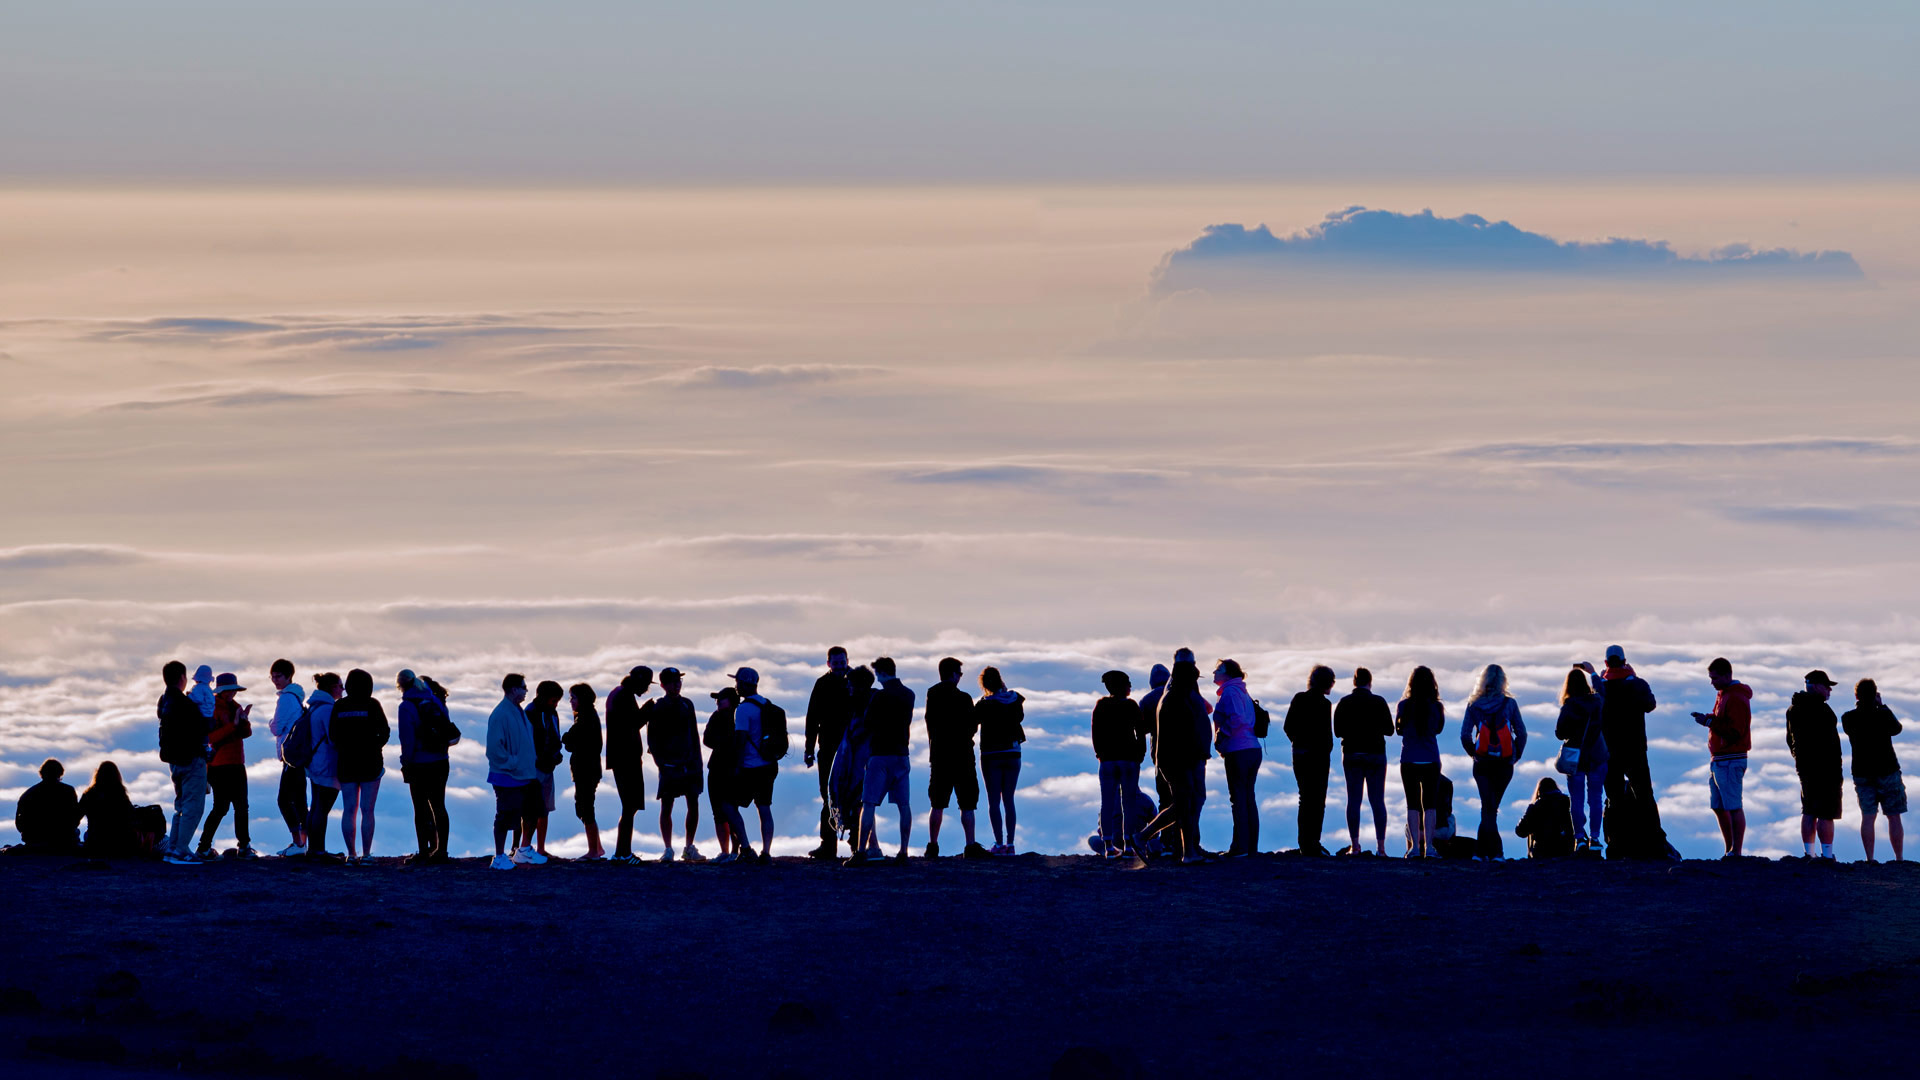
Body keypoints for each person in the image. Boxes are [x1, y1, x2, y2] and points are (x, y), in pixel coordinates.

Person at [1590, 645, 1670, 859]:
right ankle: (1655, 842)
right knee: (1645, 796)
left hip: (1609, 751)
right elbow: (1650, 705)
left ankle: (1616, 845)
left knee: (1614, 798)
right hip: (1635, 750)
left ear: (1606, 663)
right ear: (1624, 660)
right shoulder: (1637, 684)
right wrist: (1633, 677)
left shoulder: (1600, 688)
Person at [1141, 653, 1213, 863]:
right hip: (1179, 760)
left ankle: (1185, 850)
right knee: (1182, 804)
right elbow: (1185, 731)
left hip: (1172, 758)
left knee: (1180, 803)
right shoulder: (1176, 698)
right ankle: (1148, 838)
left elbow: (1143, 726)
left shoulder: (1169, 696)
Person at [1459, 664, 1527, 861]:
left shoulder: (1474, 704)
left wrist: (1475, 753)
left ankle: (1482, 853)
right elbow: (1521, 733)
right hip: (1504, 764)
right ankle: (1495, 853)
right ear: (1503, 681)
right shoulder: (1510, 704)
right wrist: (1515, 755)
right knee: (1490, 807)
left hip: (1482, 764)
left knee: (1487, 807)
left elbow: (1465, 735)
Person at [852, 656, 916, 864]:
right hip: (901, 754)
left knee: (868, 802)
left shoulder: (879, 697)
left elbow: (868, 723)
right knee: (904, 804)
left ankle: (861, 852)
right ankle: (904, 851)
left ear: (880, 673)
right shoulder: (909, 694)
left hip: (880, 754)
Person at [924, 656, 986, 859]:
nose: (960, 677)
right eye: (959, 673)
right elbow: (972, 727)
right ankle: (970, 845)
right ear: (953, 675)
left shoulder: (932, 694)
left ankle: (932, 845)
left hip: (940, 755)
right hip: (962, 756)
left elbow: (930, 722)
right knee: (967, 803)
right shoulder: (964, 698)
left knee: (937, 802)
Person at [1691, 657, 1751, 858]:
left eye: (1715, 678)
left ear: (1727, 675)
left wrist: (1709, 722)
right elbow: (1725, 722)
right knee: (1718, 806)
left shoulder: (1736, 698)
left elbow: (1735, 731)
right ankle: (1730, 849)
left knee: (1733, 805)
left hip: (1731, 759)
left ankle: (1737, 851)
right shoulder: (1724, 694)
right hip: (1719, 758)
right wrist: (1708, 719)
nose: (1712, 682)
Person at [644, 667, 706, 863]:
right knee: (667, 805)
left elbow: (694, 735)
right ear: (662, 685)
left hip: (690, 764)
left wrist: (697, 762)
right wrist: (661, 763)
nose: (677, 684)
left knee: (693, 803)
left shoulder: (688, 704)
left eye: (678, 680)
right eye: (672, 681)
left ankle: (688, 846)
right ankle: (668, 848)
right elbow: (652, 738)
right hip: (670, 765)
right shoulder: (658, 707)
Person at [330, 668, 390, 865]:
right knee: (368, 810)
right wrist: (375, 745)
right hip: (370, 762)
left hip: (346, 762)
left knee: (349, 809)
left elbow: (333, 735)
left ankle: (351, 854)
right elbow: (385, 731)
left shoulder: (340, 706)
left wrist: (345, 748)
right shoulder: (373, 704)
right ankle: (366, 854)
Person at [155, 660, 212, 864]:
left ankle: (173, 848)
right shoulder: (185, 703)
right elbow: (202, 728)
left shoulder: (164, 701)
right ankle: (181, 849)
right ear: (182, 678)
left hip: (174, 761)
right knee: (193, 805)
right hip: (191, 759)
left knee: (180, 805)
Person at [1842, 678, 1905, 862]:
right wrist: (1882, 706)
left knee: (1868, 816)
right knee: (1894, 816)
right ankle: (1899, 858)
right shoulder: (1883, 715)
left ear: (1856, 696)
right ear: (1875, 694)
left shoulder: (1848, 718)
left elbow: (1850, 727)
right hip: (1888, 771)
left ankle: (1870, 859)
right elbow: (1897, 729)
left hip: (1863, 773)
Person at [398, 669, 457, 865]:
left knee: (421, 808)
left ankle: (424, 851)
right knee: (439, 805)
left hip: (419, 763)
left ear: (401, 686)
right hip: (441, 761)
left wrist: (406, 763)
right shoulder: (435, 701)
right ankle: (442, 850)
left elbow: (407, 740)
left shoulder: (406, 706)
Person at [487, 673, 544, 869]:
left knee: (532, 811)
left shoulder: (517, 711)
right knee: (504, 815)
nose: (526, 690)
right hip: (508, 776)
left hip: (526, 774)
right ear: (513, 689)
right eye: (523, 687)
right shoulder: (501, 714)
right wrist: (512, 762)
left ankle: (524, 850)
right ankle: (500, 856)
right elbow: (494, 749)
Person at [1334, 668, 1393, 856]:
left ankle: (1355, 845)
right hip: (1376, 754)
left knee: (1353, 801)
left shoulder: (1344, 702)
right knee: (1377, 801)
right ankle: (1381, 848)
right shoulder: (1379, 702)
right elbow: (1390, 730)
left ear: (1354, 682)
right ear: (1370, 682)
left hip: (1352, 754)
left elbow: (1337, 731)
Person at [1785, 670, 1844, 860]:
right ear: (1817, 686)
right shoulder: (1823, 711)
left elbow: (1790, 739)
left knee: (1809, 810)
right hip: (1827, 769)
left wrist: (1799, 758)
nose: (1829, 691)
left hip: (1805, 767)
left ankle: (1808, 854)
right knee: (1827, 813)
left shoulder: (1793, 709)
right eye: (1827, 687)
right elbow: (1830, 743)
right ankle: (1827, 856)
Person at [196, 672, 255, 858]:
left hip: (236, 762)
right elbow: (211, 738)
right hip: (219, 764)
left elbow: (245, 734)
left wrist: (244, 723)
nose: (231, 694)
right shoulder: (212, 709)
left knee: (241, 806)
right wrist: (235, 724)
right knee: (221, 807)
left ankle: (243, 846)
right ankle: (204, 847)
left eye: (233, 690)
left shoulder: (235, 707)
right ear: (221, 691)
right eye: (228, 690)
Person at [804, 647, 854, 859]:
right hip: (828, 748)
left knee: (854, 795)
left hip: (852, 748)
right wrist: (809, 748)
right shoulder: (822, 684)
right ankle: (828, 845)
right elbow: (812, 717)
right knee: (828, 795)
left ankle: (856, 844)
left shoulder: (856, 682)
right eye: (836, 662)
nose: (840, 665)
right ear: (829, 663)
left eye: (842, 662)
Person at [1091, 669, 1146, 858]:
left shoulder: (1101, 706)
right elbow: (1141, 732)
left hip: (1107, 761)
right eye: (1128, 683)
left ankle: (1108, 846)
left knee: (1107, 803)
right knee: (1129, 802)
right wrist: (1140, 754)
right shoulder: (1131, 706)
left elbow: (1096, 733)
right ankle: (1129, 846)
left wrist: (1100, 754)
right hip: (1129, 760)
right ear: (1123, 686)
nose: (1131, 686)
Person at [1282, 665, 1335, 856]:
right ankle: (1313, 842)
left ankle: (1305, 843)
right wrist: (1326, 749)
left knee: (1305, 798)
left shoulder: (1299, 698)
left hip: (1301, 755)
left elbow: (1288, 726)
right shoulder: (1325, 704)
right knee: (1318, 799)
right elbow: (1327, 735)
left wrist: (1298, 743)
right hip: (1319, 757)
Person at [974, 666, 1027, 855]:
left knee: (994, 801)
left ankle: (998, 843)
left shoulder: (983, 705)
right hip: (1013, 752)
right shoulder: (1014, 700)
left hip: (991, 755)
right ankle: (1011, 844)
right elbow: (1020, 718)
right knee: (1009, 800)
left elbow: (973, 724)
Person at [1553, 666, 1607, 853]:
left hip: (1575, 759)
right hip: (1598, 756)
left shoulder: (1568, 707)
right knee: (1595, 799)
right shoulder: (1597, 701)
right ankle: (1595, 837)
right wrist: (1592, 673)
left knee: (1576, 800)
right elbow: (1602, 690)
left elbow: (1560, 733)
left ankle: (1579, 838)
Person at [1214, 659, 1263, 857]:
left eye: (1218, 669)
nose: (1214, 672)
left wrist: (1221, 736)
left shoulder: (1230, 692)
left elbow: (1237, 719)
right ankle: (1250, 846)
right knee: (1248, 798)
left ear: (1227, 673)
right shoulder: (1241, 691)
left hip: (1239, 750)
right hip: (1251, 748)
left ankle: (1240, 847)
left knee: (1239, 799)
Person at [1396, 666, 1446, 859]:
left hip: (1409, 758)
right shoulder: (1437, 707)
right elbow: (1439, 729)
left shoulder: (1404, 705)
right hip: (1431, 758)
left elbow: (1399, 729)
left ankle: (1415, 848)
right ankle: (1430, 847)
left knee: (1412, 804)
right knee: (1430, 804)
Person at [731, 667, 780, 861]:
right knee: (764, 807)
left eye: (737, 683)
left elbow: (741, 739)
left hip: (750, 767)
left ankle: (745, 847)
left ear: (742, 684)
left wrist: (736, 765)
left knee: (728, 804)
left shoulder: (743, 709)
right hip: (768, 765)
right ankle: (766, 851)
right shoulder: (767, 704)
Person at [605, 666, 652, 865]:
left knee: (629, 806)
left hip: (621, 757)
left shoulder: (619, 693)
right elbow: (631, 725)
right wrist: (647, 711)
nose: (647, 689)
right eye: (647, 685)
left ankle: (621, 851)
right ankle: (623, 853)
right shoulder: (624, 696)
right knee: (629, 806)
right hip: (626, 758)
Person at [830, 666, 878, 855]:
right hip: (865, 760)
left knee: (860, 803)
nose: (848, 687)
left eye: (850, 684)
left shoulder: (859, 708)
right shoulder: (872, 702)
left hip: (859, 762)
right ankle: (869, 845)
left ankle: (868, 846)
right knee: (863, 803)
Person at [266, 659, 309, 856]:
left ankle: (298, 844)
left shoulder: (285, 698)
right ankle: (305, 843)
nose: (275, 680)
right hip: (300, 755)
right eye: (273, 676)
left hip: (290, 756)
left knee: (284, 800)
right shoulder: (297, 697)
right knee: (299, 800)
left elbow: (276, 728)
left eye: (278, 676)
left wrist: (269, 722)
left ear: (288, 676)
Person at [562, 682, 605, 860]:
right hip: (590, 769)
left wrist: (566, 738)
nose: (571, 701)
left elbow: (569, 739)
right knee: (585, 807)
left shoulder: (585, 718)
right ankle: (597, 848)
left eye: (573, 698)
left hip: (586, 770)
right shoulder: (589, 715)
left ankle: (593, 851)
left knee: (585, 809)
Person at [705, 687, 747, 864]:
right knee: (721, 812)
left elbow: (709, 739)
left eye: (721, 699)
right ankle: (727, 851)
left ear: (730, 700)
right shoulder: (722, 717)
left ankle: (733, 851)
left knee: (729, 811)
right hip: (721, 768)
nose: (718, 702)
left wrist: (722, 744)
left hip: (728, 769)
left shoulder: (735, 717)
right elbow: (707, 739)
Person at [303, 673, 343, 861]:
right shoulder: (328, 710)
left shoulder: (315, 707)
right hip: (326, 764)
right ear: (333, 687)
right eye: (340, 686)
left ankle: (314, 849)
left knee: (316, 806)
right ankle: (318, 851)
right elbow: (334, 738)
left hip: (314, 763)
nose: (342, 690)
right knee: (322, 808)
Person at [525, 680, 565, 859]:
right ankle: (525, 847)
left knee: (545, 809)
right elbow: (529, 741)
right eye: (553, 700)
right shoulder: (531, 713)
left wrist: (556, 754)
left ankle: (540, 848)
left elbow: (554, 736)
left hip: (548, 767)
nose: (555, 704)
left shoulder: (551, 713)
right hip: (534, 768)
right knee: (532, 809)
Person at [11, 759, 79, 854]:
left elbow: (19, 823)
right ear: (60, 773)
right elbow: (75, 818)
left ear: (42, 774)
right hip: (63, 839)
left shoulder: (28, 794)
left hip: (34, 839)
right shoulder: (68, 791)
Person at [78, 761, 139, 857]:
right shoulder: (121, 795)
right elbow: (132, 819)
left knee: (87, 834)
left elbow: (76, 816)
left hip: (95, 844)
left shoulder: (89, 794)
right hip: (119, 845)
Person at [1513, 777, 1575, 858]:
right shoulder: (1567, 803)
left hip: (1541, 851)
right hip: (1565, 849)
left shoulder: (1536, 807)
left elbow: (1521, 831)